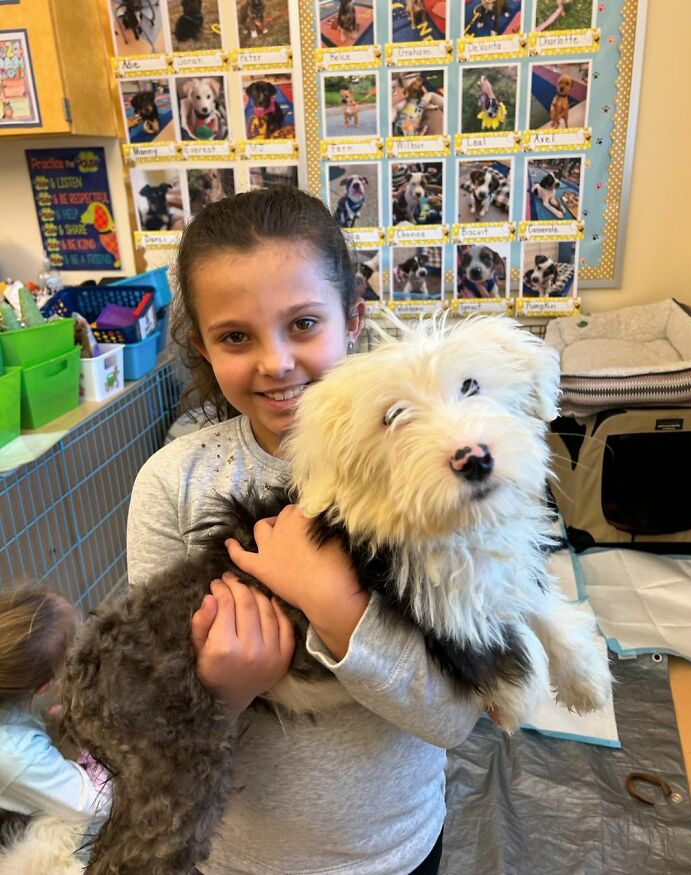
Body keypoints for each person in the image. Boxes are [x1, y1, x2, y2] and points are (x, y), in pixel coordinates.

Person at [127, 187, 484, 875]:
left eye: (303, 324)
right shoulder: (173, 482)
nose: (276, 363)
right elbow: (151, 716)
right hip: (236, 857)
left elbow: (453, 718)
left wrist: (336, 605)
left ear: (352, 319)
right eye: (236, 336)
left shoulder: (421, 468)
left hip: (394, 849)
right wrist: (226, 689)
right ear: (201, 345)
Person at [0, 586, 110, 837]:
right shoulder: (15, 754)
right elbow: (93, 804)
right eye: (76, 654)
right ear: (43, 687)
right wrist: (99, 738)